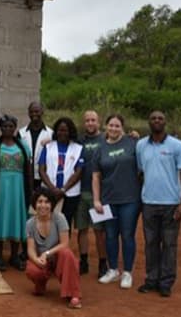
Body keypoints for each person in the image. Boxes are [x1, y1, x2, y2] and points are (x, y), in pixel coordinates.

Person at [136, 110, 181, 297]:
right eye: (153, 118)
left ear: (165, 122)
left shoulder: (177, 146)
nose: (157, 121)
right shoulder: (141, 145)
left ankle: (166, 282)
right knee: (151, 243)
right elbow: (140, 172)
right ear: (148, 122)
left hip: (171, 204)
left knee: (169, 244)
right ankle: (151, 279)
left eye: (160, 118)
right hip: (149, 203)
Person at [92, 114, 140, 289]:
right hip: (108, 199)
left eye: (117, 126)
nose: (113, 128)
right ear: (105, 127)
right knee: (110, 235)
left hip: (130, 199)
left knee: (127, 235)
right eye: (111, 125)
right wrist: (97, 200)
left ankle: (127, 272)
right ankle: (113, 270)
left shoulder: (132, 143)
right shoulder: (100, 148)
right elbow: (96, 176)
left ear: (122, 128)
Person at [0, 114, 32, 272]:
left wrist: (31, 191)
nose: (7, 129)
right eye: (4, 127)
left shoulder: (23, 146)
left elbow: (28, 171)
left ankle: (14, 256)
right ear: (0, 128)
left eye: (11, 126)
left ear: (15, 128)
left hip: (18, 188)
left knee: (16, 218)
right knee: (0, 218)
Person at [25, 188, 82, 309]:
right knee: (32, 269)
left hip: (57, 258)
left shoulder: (59, 218)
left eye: (47, 202)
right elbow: (30, 249)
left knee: (67, 254)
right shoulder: (30, 223)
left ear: (52, 204)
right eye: (40, 201)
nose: (43, 205)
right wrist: (37, 260)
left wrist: (46, 253)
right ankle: (40, 283)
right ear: (35, 204)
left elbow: (65, 243)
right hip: (43, 261)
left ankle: (73, 294)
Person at [74, 110, 108, 277]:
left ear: (98, 122)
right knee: (82, 229)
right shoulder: (79, 140)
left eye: (93, 120)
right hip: (81, 192)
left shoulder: (106, 139)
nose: (90, 123)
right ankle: (84, 261)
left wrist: (133, 135)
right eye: (87, 120)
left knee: (99, 231)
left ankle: (103, 263)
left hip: (99, 194)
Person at [38, 117, 84, 230]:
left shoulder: (78, 148)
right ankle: (47, 247)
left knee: (65, 223)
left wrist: (63, 189)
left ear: (70, 131)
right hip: (49, 191)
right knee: (47, 222)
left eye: (65, 130)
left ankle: (63, 247)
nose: (62, 133)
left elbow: (78, 172)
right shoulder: (48, 147)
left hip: (70, 193)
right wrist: (53, 189)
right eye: (60, 130)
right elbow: (41, 170)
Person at [17, 101, 53, 190]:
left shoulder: (51, 134)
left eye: (37, 111)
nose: (34, 114)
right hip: (24, 176)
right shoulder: (21, 133)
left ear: (42, 112)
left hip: (42, 177)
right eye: (31, 112)